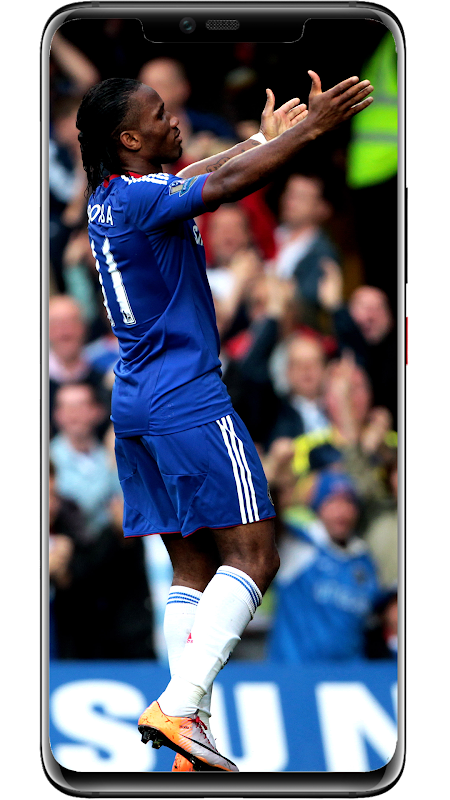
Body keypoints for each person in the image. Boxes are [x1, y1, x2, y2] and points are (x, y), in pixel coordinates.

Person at [75, 69, 374, 771]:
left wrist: (260, 141)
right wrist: (311, 131)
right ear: (129, 139)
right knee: (256, 555)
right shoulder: (143, 198)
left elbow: (201, 172)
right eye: (158, 115)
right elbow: (225, 185)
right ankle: (181, 708)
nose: (173, 120)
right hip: (186, 398)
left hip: (137, 401)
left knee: (195, 566)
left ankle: (191, 728)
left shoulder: (110, 198)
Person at [267, 469, 381, 663]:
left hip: (350, 675)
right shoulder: (297, 544)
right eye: (333, 502)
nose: (341, 511)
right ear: (318, 507)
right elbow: (267, 518)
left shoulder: (364, 560)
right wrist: (274, 478)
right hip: (293, 673)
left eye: (348, 502)